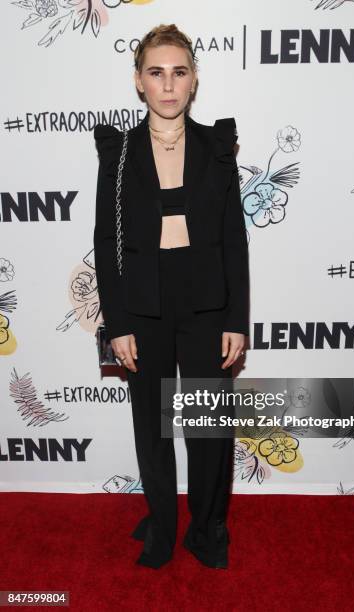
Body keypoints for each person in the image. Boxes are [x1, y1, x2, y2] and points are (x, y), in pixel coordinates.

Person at [93, 23, 250, 569]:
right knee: (151, 426)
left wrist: (236, 317)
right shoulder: (118, 152)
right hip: (142, 301)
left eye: (178, 72)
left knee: (209, 428)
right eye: (156, 73)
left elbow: (234, 236)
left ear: (193, 81)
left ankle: (207, 528)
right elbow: (106, 238)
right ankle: (162, 524)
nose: (167, 84)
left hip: (206, 299)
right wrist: (117, 323)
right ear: (139, 81)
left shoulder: (217, 145)